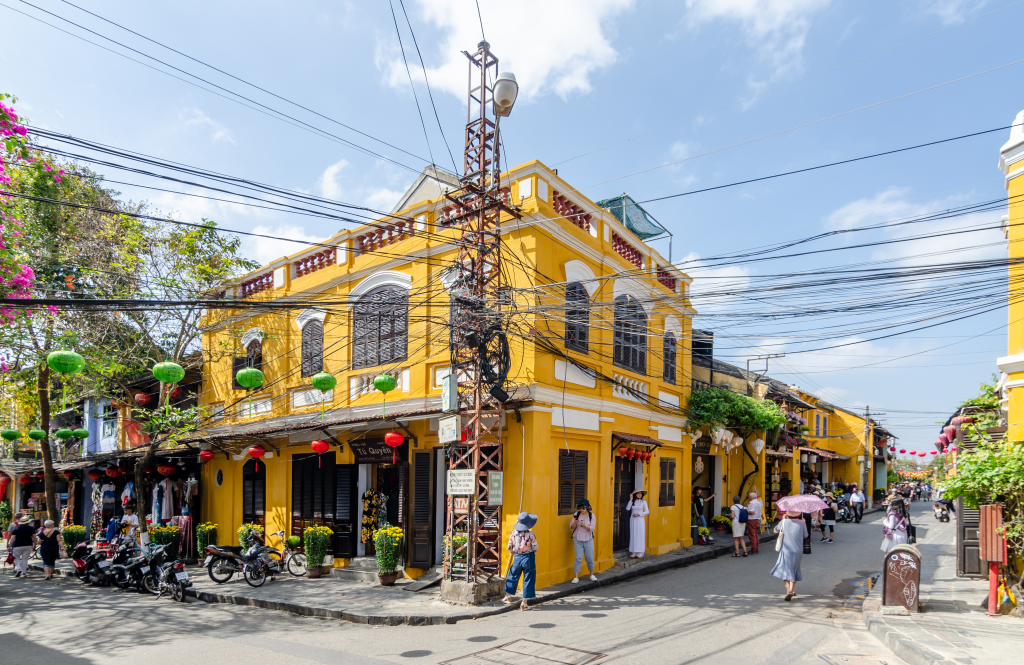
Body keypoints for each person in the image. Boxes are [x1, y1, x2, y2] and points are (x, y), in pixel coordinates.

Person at [503, 512, 539, 611]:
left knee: (512, 575)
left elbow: (509, 547)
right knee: (528, 578)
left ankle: (507, 596)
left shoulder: (513, 534)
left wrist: (515, 553)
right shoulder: (531, 534)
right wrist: (533, 554)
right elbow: (535, 547)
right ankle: (524, 602)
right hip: (528, 557)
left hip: (517, 557)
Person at [771, 510, 808, 601]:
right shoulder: (802, 523)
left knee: (784, 569)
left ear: (787, 514)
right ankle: (791, 589)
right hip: (798, 550)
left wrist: (783, 520)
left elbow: (775, 531)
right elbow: (805, 535)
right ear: (799, 514)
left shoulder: (784, 522)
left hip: (786, 550)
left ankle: (788, 590)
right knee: (794, 569)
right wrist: (803, 523)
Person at [569, 499, 597, 584]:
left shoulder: (592, 516)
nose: (582, 510)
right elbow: (571, 527)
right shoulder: (576, 515)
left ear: (587, 508)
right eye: (580, 508)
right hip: (578, 538)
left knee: (589, 558)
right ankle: (576, 577)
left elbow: (592, 528)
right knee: (578, 558)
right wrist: (575, 522)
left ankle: (592, 575)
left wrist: (585, 525)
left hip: (588, 539)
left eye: (583, 508)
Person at [625, 490, 649, 558]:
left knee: (640, 534)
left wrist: (639, 514)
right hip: (633, 520)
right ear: (635, 494)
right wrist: (630, 499)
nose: (640, 495)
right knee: (633, 534)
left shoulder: (643, 502)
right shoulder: (632, 502)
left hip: (640, 520)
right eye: (638, 493)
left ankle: (640, 552)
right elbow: (627, 509)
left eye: (640, 494)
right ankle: (633, 551)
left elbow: (647, 511)